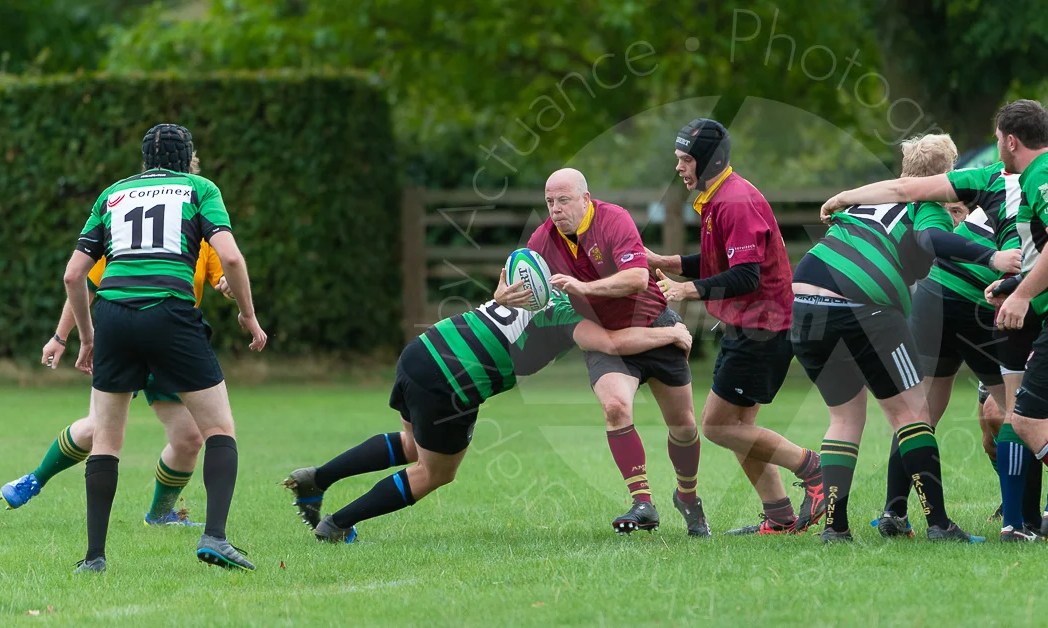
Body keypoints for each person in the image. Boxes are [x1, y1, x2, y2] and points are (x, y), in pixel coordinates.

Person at [822, 101, 1048, 546]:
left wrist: (1020, 291)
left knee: (1017, 416)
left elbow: (908, 191)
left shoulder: (1028, 176)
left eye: (997, 139)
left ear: (1011, 141)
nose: (995, 146)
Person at [285, 288, 695, 541]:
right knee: (436, 472)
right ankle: (337, 524)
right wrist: (671, 333)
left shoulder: (545, 279)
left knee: (412, 444)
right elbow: (611, 342)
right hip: (451, 381)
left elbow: (509, 276)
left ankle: (318, 479)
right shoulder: (569, 313)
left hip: (424, 349)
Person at [62, 123, 268, 572]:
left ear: (144, 160)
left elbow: (74, 275)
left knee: (106, 439)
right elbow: (231, 257)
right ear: (189, 159)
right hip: (170, 312)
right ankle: (215, 538)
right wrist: (248, 315)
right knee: (218, 429)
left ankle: (94, 557)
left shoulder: (113, 194)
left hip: (113, 315)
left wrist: (88, 336)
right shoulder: (199, 189)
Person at [803, 130, 1022, 543]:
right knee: (912, 416)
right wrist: (991, 256)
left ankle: (837, 526)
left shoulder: (867, 199)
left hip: (805, 302)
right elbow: (929, 239)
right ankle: (940, 524)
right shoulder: (927, 205)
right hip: (862, 305)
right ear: (948, 173)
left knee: (844, 418)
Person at [2, 154, 227, 528]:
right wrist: (61, 336)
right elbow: (85, 282)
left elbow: (223, 274)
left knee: (189, 437)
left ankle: (160, 515)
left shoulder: (203, 230)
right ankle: (34, 480)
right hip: (127, 332)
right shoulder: (133, 230)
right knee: (97, 429)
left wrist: (227, 285)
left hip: (171, 338)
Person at [646, 118, 823, 536]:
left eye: (686, 159)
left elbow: (745, 275)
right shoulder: (720, 196)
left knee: (718, 426)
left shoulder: (735, 201)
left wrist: (685, 290)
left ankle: (815, 471)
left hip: (761, 328)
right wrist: (665, 261)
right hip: (755, 326)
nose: (679, 167)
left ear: (708, 160)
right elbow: (719, 261)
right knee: (741, 430)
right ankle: (780, 517)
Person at [505, 168, 706, 536]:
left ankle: (688, 497)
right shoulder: (543, 239)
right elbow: (512, 276)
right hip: (608, 338)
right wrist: (504, 293)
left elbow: (638, 278)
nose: (555, 209)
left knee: (684, 425)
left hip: (654, 324)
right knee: (615, 407)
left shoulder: (614, 220)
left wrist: (583, 287)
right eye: (549, 202)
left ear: (585, 199)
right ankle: (643, 503)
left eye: (563, 200)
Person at [888, 137, 1023, 540]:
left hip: (930, 298)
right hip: (971, 303)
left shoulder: (920, 201)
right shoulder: (1013, 191)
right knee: (1016, 409)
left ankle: (895, 510)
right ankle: (1019, 517)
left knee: (920, 414)